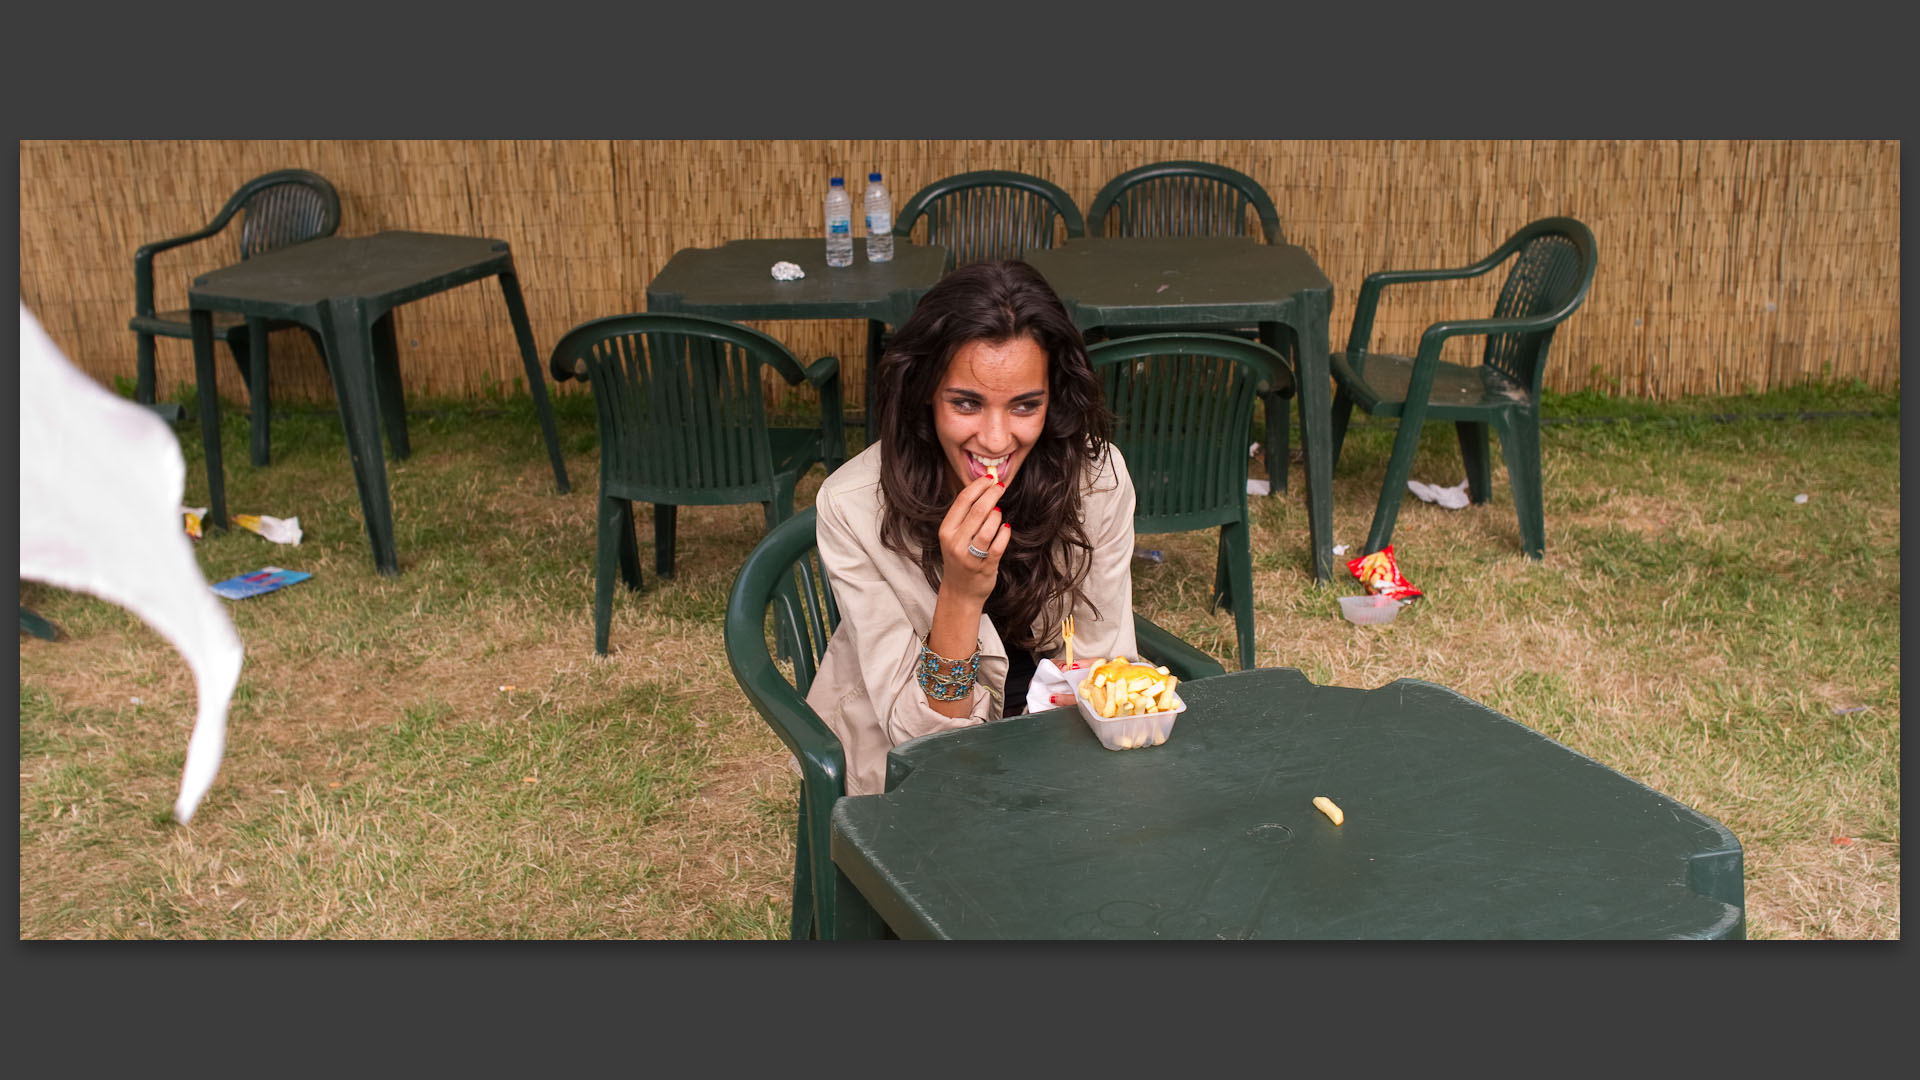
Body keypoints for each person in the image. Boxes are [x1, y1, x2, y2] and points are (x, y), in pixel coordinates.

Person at [807, 260, 1139, 796]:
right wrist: (960, 594)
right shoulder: (852, 508)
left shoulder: (1096, 480)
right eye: (967, 402)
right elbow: (925, 742)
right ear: (925, 395)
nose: (995, 438)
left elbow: (1104, 661)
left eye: (1025, 405)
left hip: (1059, 736)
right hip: (918, 762)